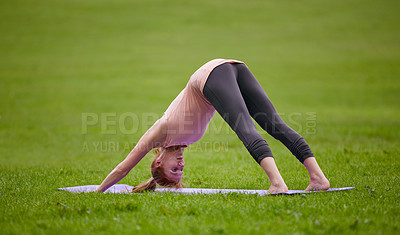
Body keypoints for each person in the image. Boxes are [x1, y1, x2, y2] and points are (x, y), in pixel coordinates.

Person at [95, 59, 330, 194]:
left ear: (157, 162)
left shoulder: (161, 131)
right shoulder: (186, 141)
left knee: (245, 129)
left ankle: (278, 183)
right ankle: (318, 179)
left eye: (174, 169)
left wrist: (98, 192)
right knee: (274, 125)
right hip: (233, 68)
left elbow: (123, 168)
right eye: (181, 170)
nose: (181, 165)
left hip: (211, 75)